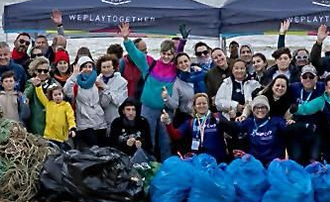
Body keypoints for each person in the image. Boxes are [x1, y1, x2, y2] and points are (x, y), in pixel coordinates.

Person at [121, 22, 178, 163]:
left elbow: (185, 62)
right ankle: (146, 165)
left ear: (173, 55)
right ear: (160, 52)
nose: (166, 57)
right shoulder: (151, 64)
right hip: (148, 108)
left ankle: (167, 167)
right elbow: (135, 54)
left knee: (165, 141)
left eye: (169, 54)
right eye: (164, 54)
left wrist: (182, 40)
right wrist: (126, 39)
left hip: (166, 110)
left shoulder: (175, 68)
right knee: (147, 139)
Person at [164, 93, 231, 162]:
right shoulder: (191, 122)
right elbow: (176, 135)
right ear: (194, 107)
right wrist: (168, 123)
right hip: (199, 161)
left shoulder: (217, 117)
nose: (201, 106)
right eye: (199, 104)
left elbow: (232, 129)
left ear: (208, 105)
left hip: (218, 160)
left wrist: (233, 118)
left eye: (204, 103)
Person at [66, 58, 110, 148]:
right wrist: (74, 75)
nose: (87, 69)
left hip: (99, 121)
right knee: (92, 148)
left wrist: (105, 88)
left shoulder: (97, 82)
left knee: (102, 149)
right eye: (84, 67)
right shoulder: (76, 84)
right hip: (84, 122)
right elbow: (66, 91)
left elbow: (104, 103)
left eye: (90, 66)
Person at [230, 95, 287, 164]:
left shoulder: (276, 122)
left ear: (267, 109)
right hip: (255, 163)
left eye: (263, 107)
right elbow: (233, 128)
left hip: (273, 163)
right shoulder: (249, 122)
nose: (260, 110)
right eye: (257, 107)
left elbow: (288, 130)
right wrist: (231, 118)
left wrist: (290, 123)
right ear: (253, 110)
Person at [287, 65, 326, 164]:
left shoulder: (322, 88)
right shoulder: (293, 88)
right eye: (305, 77)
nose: (308, 79)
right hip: (298, 128)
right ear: (300, 78)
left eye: (311, 77)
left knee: (314, 159)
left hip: (316, 129)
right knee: (297, 158)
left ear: (316, 78)